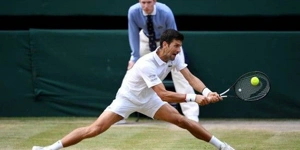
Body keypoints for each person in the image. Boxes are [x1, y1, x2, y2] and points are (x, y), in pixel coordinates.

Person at [32, 29, 235, 150]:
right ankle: (50, 148)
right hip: (127, 98)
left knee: (183, 121)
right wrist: (194, 98)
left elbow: (190, 77)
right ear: (164, 45)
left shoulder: (176, 57)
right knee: (95, 129)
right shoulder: (147, 63)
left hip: (149, 100)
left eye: (180, 46)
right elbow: (163, 94)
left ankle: (222, 147)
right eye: (175, 46)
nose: (178, 50)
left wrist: (207, 92)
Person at [127, 0, 200, 122]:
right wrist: (134, 57)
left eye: (149, 2)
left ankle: (192, 116)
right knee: (132, 72)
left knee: (180, 74)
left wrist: (173, 51)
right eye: (143, 2)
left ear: (155, 1)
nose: (145, 6)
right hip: (145, 40)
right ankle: (122, 111)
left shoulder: (165, 12)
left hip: (168, 43)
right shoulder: (133, 11)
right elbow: (133, 34)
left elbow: (174, 36)